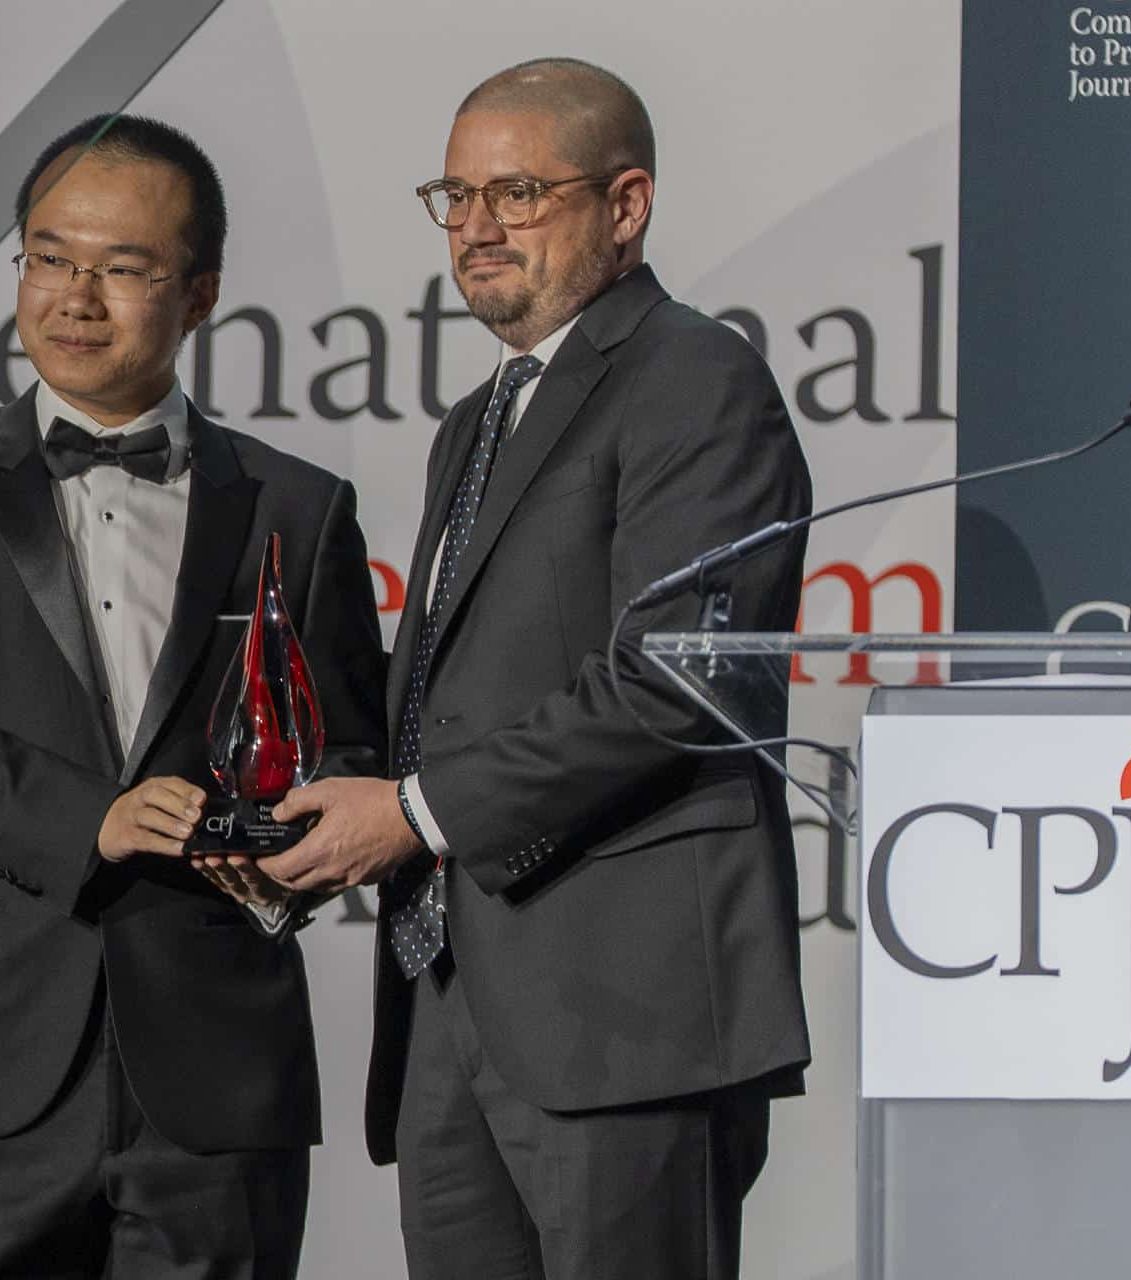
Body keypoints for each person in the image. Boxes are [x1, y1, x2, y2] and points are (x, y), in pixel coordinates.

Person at [259, 59, 813, 1279]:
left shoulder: (696, 378)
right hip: (454, 1000)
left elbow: (678, 682)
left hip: (623, 1010)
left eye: (515, 193)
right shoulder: (483, 413)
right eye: (453, 197)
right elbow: (451, 690)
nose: (474, 230)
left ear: (627, 205)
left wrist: (408, 812)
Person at [0, 113, 387, 1279]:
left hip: (219, 1068)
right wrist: (96, 814)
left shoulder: (299, 506)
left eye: (122, 268)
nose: (74, 297)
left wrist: (297, 833)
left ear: (199, 293)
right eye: (47, 257)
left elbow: (347, 748)